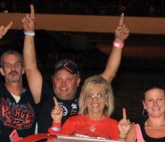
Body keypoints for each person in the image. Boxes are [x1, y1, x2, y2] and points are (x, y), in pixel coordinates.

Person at [22, 4, 129, 134]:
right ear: (53, 80)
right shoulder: (44, 95)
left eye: (69, 79)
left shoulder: (85, 97)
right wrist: (29, 33)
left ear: (78, 81)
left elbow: (109, 74)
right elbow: (30, 68)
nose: (63, 83)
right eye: (59, 79)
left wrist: (118, 41)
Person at [49, 75, 120, 140]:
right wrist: (56, 122)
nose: (94, 100)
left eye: (99, 96)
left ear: (106, 100)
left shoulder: (114, 126)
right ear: (84, 100)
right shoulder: (72, 122)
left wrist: (123, 135)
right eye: (90, 96)